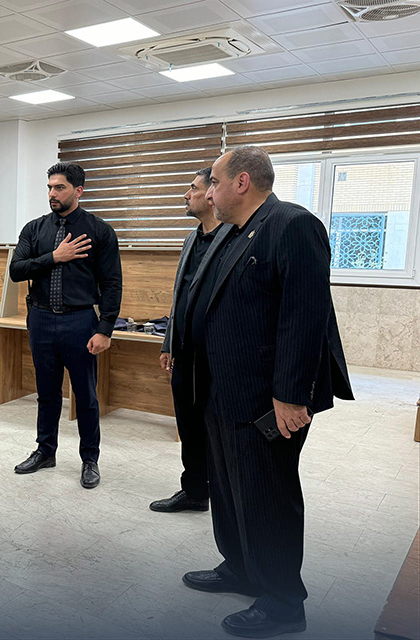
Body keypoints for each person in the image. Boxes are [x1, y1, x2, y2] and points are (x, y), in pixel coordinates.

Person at [181, 146, 353, 638]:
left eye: (214, 183)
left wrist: (291, 396)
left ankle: (283, 602)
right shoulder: (230, 232)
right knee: (229, 490)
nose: (208, 193)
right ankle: (239, 567)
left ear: (241, 182)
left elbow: (305, 315)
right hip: (222, 389)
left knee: (267, 496)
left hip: (267, 398)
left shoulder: (292, 225)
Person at [9, 162, 122, 489]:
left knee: (85, 396)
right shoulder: (34, 229)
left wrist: (105, 329)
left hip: (80, 321)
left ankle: (90, 459)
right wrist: (54, 257)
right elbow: (17, 270)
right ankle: (45, 451)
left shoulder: (99, 231)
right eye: (49, 187)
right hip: (41, 319)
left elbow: (112, 283)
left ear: (78, 190)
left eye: (59, 187)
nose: (52, 194)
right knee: (46, 393)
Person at [150, 167, 230, 513]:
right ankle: (195, 491)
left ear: (212, 194)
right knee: (189, 426)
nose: (187, 194)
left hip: (217, 357)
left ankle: (226, 497)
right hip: (185, 355)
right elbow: (179, 297)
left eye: (193, 188)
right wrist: (169, 343)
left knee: (219, 432)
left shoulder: (233, 238)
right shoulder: (190, 240)